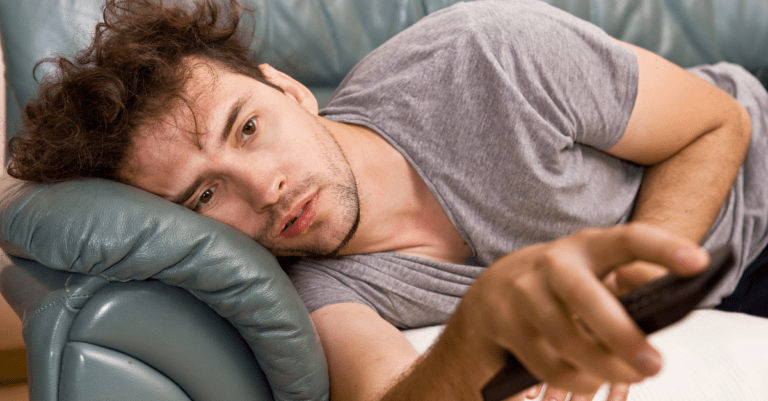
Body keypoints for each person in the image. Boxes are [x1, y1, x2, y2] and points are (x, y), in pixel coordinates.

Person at [6, 0, 767, 400]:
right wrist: (475, 334)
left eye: (247, 127)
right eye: (205, 194)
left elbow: (716, 121)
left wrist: (625, 295)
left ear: (288, 88)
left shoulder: (485, 55)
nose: (264, 187)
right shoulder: (315, 288)